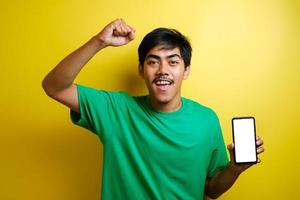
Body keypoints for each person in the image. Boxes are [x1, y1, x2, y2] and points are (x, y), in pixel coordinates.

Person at [42, 18, 264, 200]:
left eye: (173, 62)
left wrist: (235, 168)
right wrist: (99, 41)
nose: (162, 70)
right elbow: (54, 87)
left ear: (186, 70)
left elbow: (211, 190)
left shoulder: (206, 119)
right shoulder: (116, 110)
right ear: (141, 69)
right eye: (153, 61)